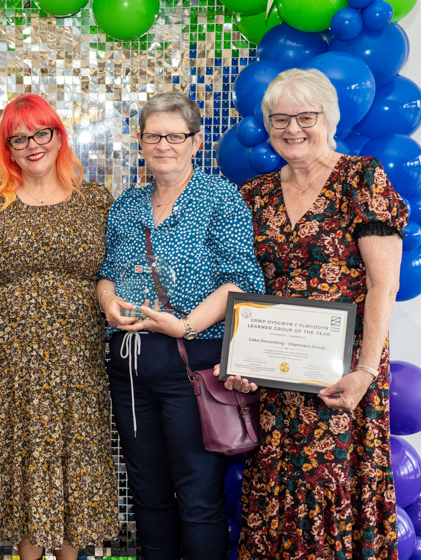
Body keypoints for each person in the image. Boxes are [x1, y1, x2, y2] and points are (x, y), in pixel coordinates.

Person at [224, 68, 407, 560]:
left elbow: (383, 282)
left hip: (344, 374)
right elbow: (243, 288)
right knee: (276, 486)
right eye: (279, 118)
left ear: (330, 117)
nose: (293, 128)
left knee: (335, 484)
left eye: (306, 116)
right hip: (277, 374)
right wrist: (240, 360)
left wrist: (365, 372)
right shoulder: (254, 195)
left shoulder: (362, 178)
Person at [0, 94, 119, 560]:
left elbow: (118, 273)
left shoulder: (96, 202)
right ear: (8, 148)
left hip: (78, 366)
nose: (32, 145)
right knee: (23, 480)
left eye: (41, 133)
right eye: (19, 138)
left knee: (72, 478)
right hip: (10, 368)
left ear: (59, 136)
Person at [96, 91, 265, 560]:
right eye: (154, 136)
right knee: (147, 493)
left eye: (175, 136)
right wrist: (108, 300)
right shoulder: (127, 204)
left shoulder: (219, 199)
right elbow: (107, 272)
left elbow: (240, 283)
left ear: (196, 141)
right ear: (140, 141)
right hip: (129, 370)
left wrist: (185, 326)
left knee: (197, 495)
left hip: (193, 365)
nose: (164, 145)